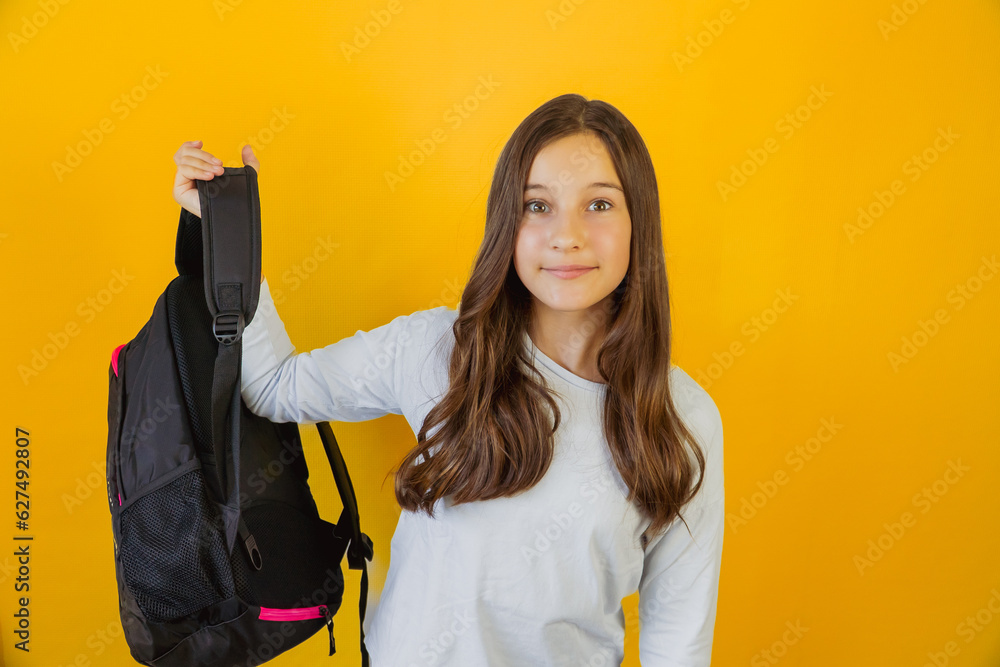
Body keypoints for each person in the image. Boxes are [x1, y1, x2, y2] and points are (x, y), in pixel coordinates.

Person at [170, 93, 725, 666]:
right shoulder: (437, 349)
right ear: (507, 221)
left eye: (600, 205)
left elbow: (678, 638)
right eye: (538, 206)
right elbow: (276, 386)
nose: (568, 235)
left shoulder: (685, 419)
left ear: (641, 221)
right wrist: (228, 228)